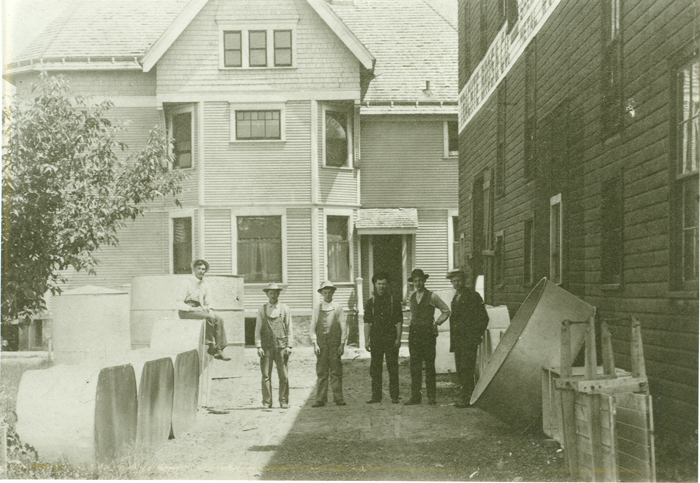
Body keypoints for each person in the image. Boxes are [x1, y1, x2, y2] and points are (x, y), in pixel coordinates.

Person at [404, 269, 450, 406]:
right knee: (415, 366)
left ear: (424, 281)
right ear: (412, 282)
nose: (418, 283)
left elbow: (446, 311)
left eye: (420, 280)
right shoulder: (411, 297)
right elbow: (411, 315)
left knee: (429, 365)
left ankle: (431, 396)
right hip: (414, 334)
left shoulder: (432, 296)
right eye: (415, 281)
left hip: (427, 334)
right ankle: (415, 397)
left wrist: (436, 323)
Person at [446, 269, 489, 408]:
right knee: (461, 368)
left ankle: (468, 398)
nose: (456, 283)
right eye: (454, 281)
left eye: (458, 280)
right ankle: (466, 395)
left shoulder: (472, 296)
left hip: (468, 339)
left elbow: (483, 318)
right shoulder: (456, 297)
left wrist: (476, 335)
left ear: (464, 281)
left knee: (467, 368)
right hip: (458, 340)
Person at [176, 259, 231, 361]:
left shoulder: (205, 285)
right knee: (209, 318)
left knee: (219, 319)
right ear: (194, 269)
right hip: (186, 311)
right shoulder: (187, 283)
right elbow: (178, 302)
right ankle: (210, 344)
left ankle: (219, 349)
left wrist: (210, 310)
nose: (201, 271)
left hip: (199, 310)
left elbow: (208, 301)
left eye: (203, 269)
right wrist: (191, 308)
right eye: (199, 269)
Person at [364, 272, 403, 404]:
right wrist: (366, 340)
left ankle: (395, 396)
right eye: (379, 284)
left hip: (391, 338)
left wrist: (398, 339)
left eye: (384, 284)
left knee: (393, 368)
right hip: (376, 339)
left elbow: (398, 322)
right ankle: (376, 396)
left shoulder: (394, 301)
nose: (381, 287)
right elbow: (367, 323)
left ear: (388, 285)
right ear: (375, 285)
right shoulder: (370, 303)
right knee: (375, 369)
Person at [255, 282, 293, 409]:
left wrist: (289, 346)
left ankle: (283, 401)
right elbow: (257, 329)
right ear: (267, 294)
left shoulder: (284, 309)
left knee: (283, 375)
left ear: (278, 294)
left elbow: (289, 329)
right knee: (266, 375)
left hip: (281, 346)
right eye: (270, 293)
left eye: (275, 293)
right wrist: (259, 346)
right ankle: (266, 402)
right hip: (266, 347)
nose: (273, 295)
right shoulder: (263, 309)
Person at [309, 281, 348, 407]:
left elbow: (343, 326)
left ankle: (338, 398)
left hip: (334, 343)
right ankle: (320, 399)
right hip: (321, 344)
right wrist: (315, 343)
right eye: (325, 292)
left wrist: (342, 343)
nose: (327, 295)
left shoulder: (337, 307)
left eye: (330, 292)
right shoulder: (317, 307)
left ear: (333, 293)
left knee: (336, 371)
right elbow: (313, 326)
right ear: (321, 293)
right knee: (322, 371)